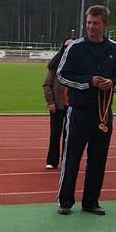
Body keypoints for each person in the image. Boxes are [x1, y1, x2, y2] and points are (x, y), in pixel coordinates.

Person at [56, 5, 116, 215]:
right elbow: (62, 75)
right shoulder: (75, 47)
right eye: (88, 23)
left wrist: (112, 84)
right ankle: (65, 201)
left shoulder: (115, 49)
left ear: (105, 25)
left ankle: (91, 201)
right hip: (79, 111)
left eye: (96, 23)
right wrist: (89, 82)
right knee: (71, 158)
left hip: (103, 113)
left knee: (98, 160)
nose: (91, 27)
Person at [43, 39, 72, 169]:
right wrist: (51, 102)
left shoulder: (78, 65)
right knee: (55, 134)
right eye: (66, 46)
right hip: (57, 105)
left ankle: (67, 161)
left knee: (69, 135)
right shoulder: (55, 66)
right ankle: (52, 160)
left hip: (73, 106)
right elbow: (47, 85)